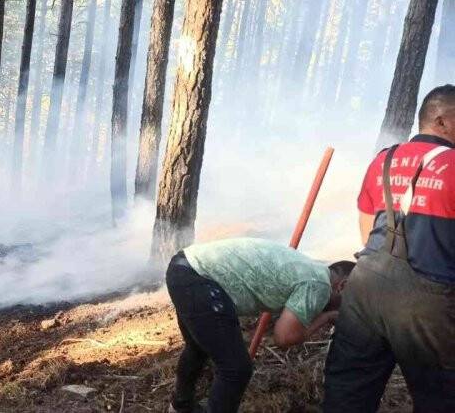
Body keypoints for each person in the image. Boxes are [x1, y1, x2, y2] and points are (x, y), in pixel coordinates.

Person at [323, 85, 455, 412]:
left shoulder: (384, 160)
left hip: (365, 289)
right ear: (442, 121)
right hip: (426, 303)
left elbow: (366, 229)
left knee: (347, 393)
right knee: (441, 397)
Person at [165, 237, 354, 413]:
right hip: (200, 279)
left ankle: (181, 405)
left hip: (184, 267)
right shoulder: (319, 285)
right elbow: (284, 337)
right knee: (236, 370)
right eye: (354, 301)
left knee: (198, 347)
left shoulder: (311, 270)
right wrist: (328, 317)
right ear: (343, 286)